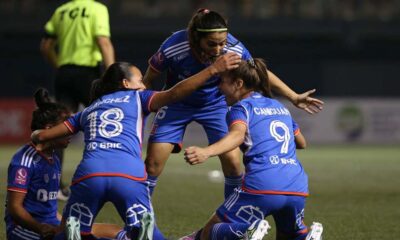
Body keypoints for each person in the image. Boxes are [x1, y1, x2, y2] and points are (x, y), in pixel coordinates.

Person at [31, 54, 241, 240]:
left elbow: (48, 134)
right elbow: (175, 93)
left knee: (67, 233)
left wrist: (37, 134)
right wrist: (212, 70)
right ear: (126, 83)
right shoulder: (138, 97)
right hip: (128, 177)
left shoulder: (90, 109)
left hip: (89, 176)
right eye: (140, 80)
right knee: (148, 234)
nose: (143, 85)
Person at [143, 8, 323, 200]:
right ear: (195, 38)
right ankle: (139, 220)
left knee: (233, 163)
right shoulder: (173, 47)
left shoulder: (234, 48)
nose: (219, 49)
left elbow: (257, 72)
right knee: (153, 164)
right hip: (175, 102)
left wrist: (293, 96)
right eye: (212, 44)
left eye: (222, 43)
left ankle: (232, 220)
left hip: (215, 104)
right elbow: (148, 78)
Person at [182, 58, 323, 240]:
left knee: (210, 232)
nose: (219, 87)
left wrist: (206, 152)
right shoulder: (279, 107)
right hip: (297, 186)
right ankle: (304, 237)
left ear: (238, 83)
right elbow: (302, 143)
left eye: (222, 82)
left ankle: (245, 232)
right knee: (288, 235)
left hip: (263, 184)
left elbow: (237, 135)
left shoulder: (241, 108)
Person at [4, 88, 124, 240]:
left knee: (113, 230)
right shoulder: (24, 160)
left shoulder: (54, 158)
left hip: (51, 225)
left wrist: (62, 223)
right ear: (49, 130)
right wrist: (40, 227)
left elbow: (49, 208)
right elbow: (15, 209)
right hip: (25, 231)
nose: (71, 132)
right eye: (65, 127)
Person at [40, 0, 115, 200]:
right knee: (104, 123)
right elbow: (104, 42)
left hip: (64, 74)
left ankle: (53, 185)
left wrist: (59, 66)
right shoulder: (96, 9)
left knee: (60, 127)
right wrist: (113, 75)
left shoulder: (61, 10)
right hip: (88, 75)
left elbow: (46, 46)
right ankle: (107, 182)